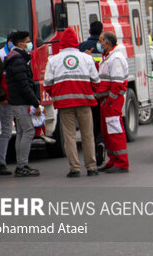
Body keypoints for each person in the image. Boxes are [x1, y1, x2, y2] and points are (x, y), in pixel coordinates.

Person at [44, 28, 100, 178]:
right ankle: (91, 167)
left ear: (62, 43)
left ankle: (75, 168)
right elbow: (96, 82)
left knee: (69, 137)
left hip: (64, 105)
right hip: (84, 102)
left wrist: (57, 95)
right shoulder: (87, 59)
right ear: (76, 42)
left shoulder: (53, 60)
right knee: (88, 135)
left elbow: (48, 84)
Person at [4, 31, 41, 177]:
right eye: (28, 41)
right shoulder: (18, 60)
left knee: (21, 132)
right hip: (20, 101)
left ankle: (21, 164)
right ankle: (22, 165)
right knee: (28, 131)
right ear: (20, 44)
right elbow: (24, 84)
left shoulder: (13, 58)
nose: (30, 43)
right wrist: (35, 103)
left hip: (16, 100)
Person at [96, 31, 130, 173]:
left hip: (111, 102)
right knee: (107, 131)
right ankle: (113, 159)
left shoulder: (115, 58)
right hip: (106, 101)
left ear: (108, 43)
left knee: (115, 131)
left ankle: (122, 163)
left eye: (100, 40)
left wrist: (109, 101)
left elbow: (116, 85)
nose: (98, 43)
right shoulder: (107, 57)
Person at [79, 20, 106, 165]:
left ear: (89, 31)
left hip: (87, 91)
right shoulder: (104, 47)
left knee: (90, 124)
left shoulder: (82, 47)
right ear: (101, 32)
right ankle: (101, 142)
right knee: (100, 121)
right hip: (101, 90)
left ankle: (94, 147)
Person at [0, 31, 15, 176]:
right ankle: (1, 164)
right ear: (10, 41)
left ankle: (22, 163)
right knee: (6, 132)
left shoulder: (20, 54)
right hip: (6, 100)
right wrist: (0, 97)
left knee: (25, 131)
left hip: (18, 99)